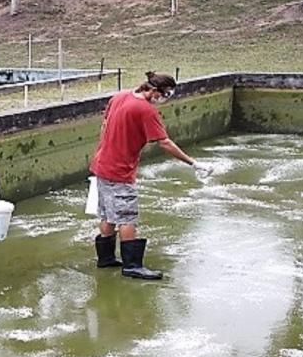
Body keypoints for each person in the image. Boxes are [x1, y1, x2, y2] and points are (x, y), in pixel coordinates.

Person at [90, 71, 213, 280]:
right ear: (153, 91)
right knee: (127, 217)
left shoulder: (120, 96)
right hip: (119, 170)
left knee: (107, 214)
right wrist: (193, 163)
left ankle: (106, 258)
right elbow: (165, 142)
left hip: (102, 164)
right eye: (164, 95)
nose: (163, 100)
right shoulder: (145, 110)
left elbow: (104, 124)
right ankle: (132, 266)